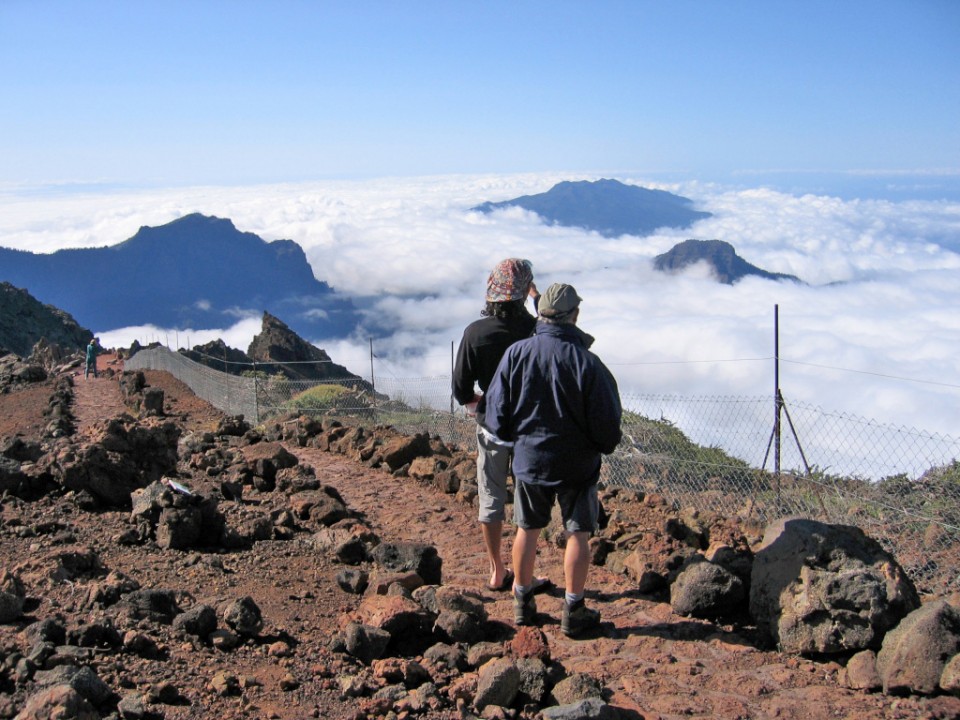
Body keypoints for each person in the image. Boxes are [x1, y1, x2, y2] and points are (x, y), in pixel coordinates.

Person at [483, 283, 622, 637]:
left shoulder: (516, 354)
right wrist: (596, 446)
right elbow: (607, 427)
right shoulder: (589, 363)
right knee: (578, 532)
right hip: (577, 465)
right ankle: (573, 608)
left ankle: (522, 602)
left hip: (531, 461)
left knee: (527, 529)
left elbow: (496, 416)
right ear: (574, 314)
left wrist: (522, 439)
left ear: (541, 312)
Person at [453, 258, 549, 593]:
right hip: (530, 428)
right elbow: (554, 319)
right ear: (522, 293)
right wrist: (536, 296)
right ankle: (524, 577)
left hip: (492, 427)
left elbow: (461, 390)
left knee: (491, 497)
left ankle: (497, 570)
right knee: (526, 500)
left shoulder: (475, 334)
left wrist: (480, 404)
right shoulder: (535, 330)